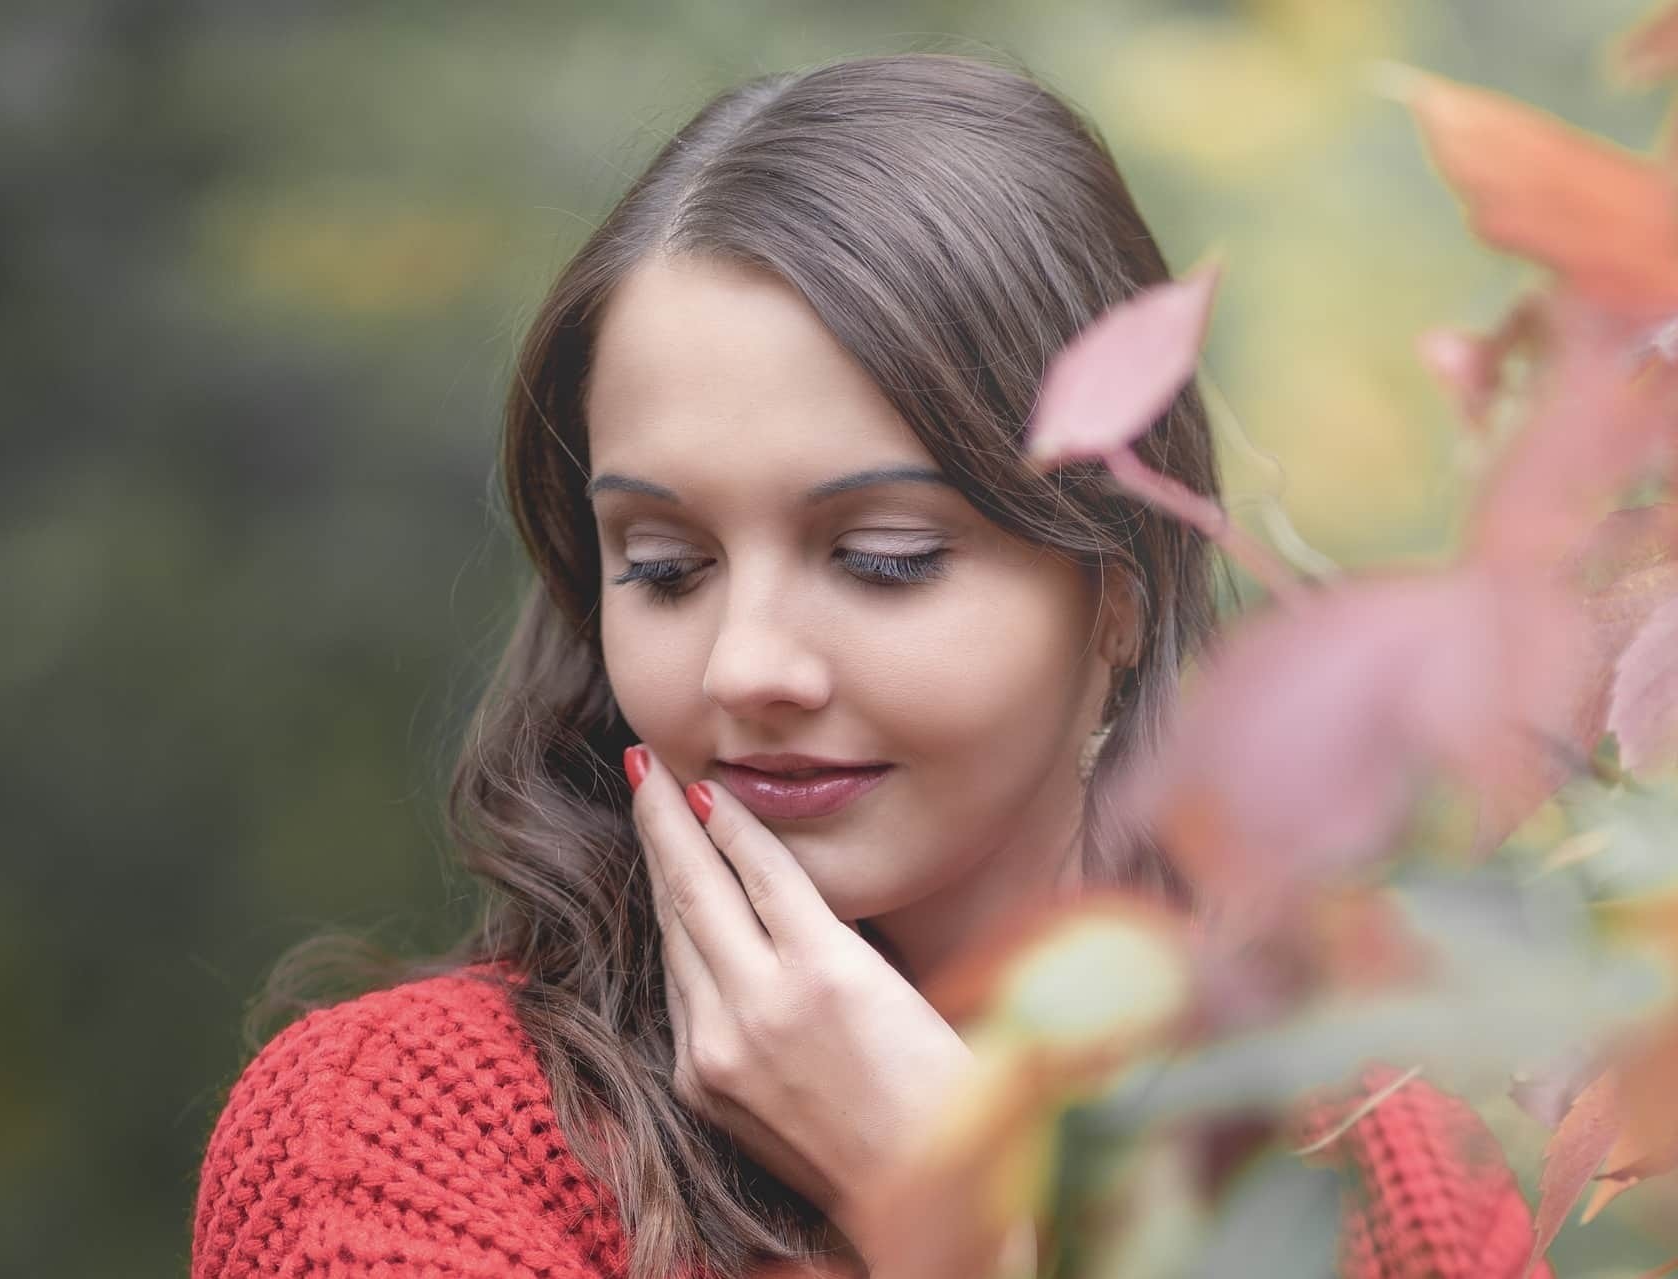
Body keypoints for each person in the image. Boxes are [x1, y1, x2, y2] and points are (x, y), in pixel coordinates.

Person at [190, 52, 1550, 1279]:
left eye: (882, 555)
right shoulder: (394, 1140)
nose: (745, 665)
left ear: (1116, 600)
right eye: (663, 565)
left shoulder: (1390, 1178)